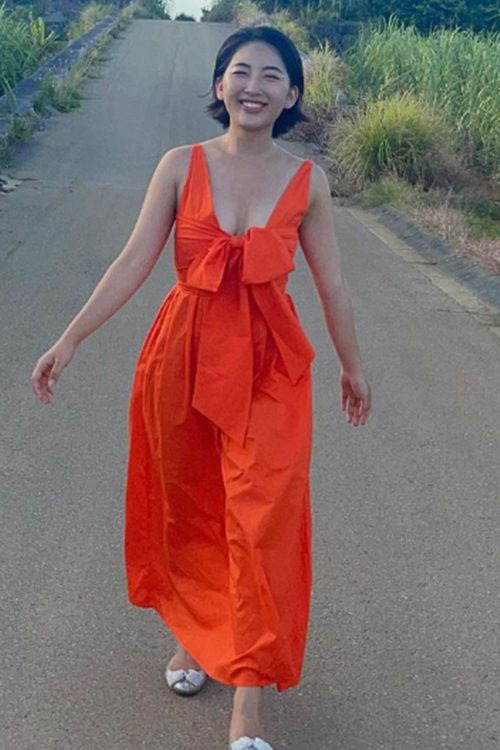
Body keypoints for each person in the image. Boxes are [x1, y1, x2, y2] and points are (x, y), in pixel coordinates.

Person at [31, 24, 372, 750]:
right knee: (190, 504)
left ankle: (248, 694)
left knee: (263, 517)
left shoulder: (308, 182)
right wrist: (70, 338)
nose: (254, 86)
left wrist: (352, 365)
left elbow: (333, 284)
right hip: (182, 354)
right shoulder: (180, 166)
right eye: (241, 71)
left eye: (272, 75)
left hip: (270, 365)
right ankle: (195, 633)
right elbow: (132, 260)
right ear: (220, 85)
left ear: (293, 94)